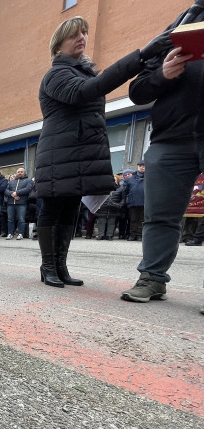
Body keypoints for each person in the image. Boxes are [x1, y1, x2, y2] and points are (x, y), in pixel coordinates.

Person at [33, 16, 170, 287]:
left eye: (84, 33)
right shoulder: (57, 73)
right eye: (75, 34)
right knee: (52, 207)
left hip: (78, 151)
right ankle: (47, 266)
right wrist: (140, 56)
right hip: (58, 152)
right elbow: (86, 91)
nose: (82, 37)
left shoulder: (81, 71)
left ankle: (61, 266)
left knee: (70, 208)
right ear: (59, 43)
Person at [121, 5, 204, 312]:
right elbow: (138, 90)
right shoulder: (180, 27)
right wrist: (163, 74)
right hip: (170, 137)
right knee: (160, 216)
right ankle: (152, 278)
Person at [5, 167, 33, 240]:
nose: (19, 173)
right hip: (11, 203)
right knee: (10, 219)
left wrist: (17, 193)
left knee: (21, 219)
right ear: (16, 173)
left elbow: (28, 189)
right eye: (18, 172)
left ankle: (21, 233)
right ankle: (10, 233)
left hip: (22, 203)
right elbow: (6, 191)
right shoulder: (11, 182)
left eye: (21, 172)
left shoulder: (28, 181)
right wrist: (12, 194)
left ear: (24, 173)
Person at [123, 160, 146, 241]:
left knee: (142, 220)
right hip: (133, 202)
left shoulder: (150, 177)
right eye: (140, 165)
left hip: (145, 202)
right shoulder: (130, 178)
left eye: (144, 165)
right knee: (133, 219)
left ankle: (139, 235)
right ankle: (132, 235)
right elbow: (125, 190)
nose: (142, 167)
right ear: (138, 166)